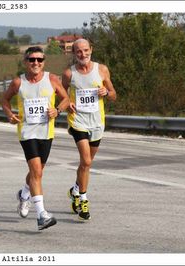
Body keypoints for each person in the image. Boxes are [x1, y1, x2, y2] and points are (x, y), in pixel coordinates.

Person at [2, 46, 69, 230]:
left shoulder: (52, 79)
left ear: (44, 62)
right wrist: (9, 114)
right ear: (26, 62)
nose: (36, 63)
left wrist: (58, 110)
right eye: (32, 59)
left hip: (46, 132)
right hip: (27, 132)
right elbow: (5, 100)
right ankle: (41, 215)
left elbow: (65, 99)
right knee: (37, 171)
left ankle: (24, 195)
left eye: (40, 60)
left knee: (37, 172)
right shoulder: (18, 82)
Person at [62, 38, 116, 221]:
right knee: (85, 160)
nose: (82, 54)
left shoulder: (101, 70)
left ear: (91, 50)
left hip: (97, 122)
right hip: (78, 121)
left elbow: (114, 95)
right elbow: (60, 94)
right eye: (78, 51)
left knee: (86, 163)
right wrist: (67, 103)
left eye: (85, 50)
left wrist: (106, 93)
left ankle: (75, 190)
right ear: (74, 53)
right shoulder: (69, 74)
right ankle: (83, 200)